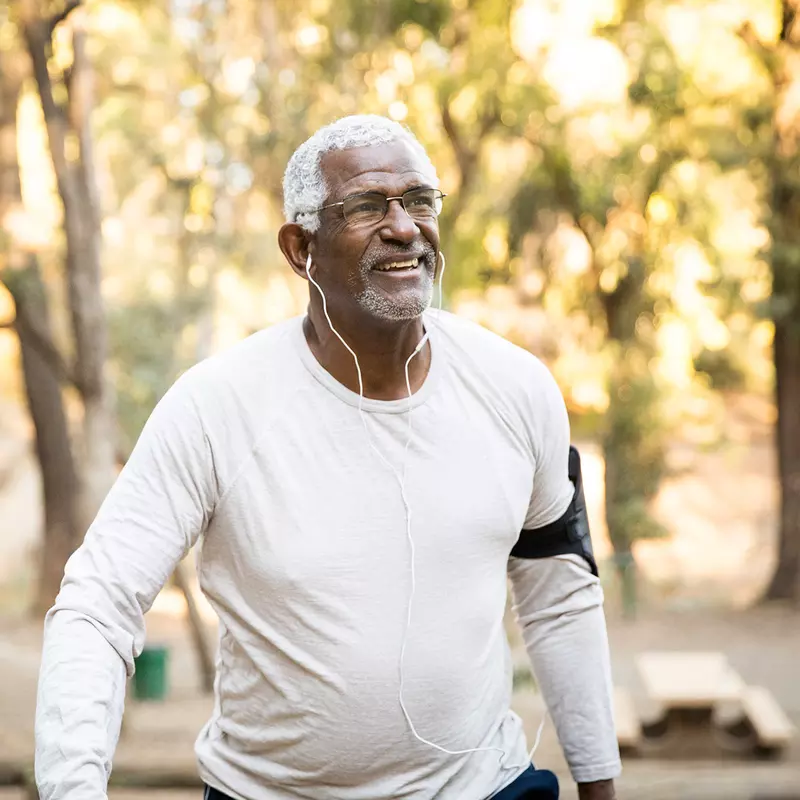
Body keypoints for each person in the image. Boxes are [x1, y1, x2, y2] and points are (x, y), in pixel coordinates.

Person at [34, 115, 621, 800]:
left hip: (485, 787)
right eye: (368, 207)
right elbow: (96, 606)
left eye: (420, 200)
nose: (405, 227)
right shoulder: (216, 407)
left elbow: (560, 598)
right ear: (299, 247)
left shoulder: (516, 388)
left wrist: (598, 786)